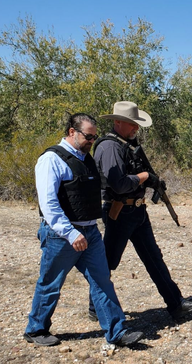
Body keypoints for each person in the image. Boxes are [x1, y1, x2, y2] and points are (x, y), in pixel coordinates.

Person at [24, 113, 143, 347]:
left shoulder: (86, 159)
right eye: (88, 136)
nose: (92, 141)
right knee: (51, 283)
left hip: (90, 233)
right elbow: (49, 204)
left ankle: (116, 331)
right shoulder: (51, 159)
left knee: (102, 281)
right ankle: (36, 330)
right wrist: (70, 233)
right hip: (62, 236)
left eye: (94, 136)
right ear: (72, 132)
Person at [88, 101, 192, 321]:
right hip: (119, 212)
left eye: (137, 124)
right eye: (132, 124)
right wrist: (144, 177)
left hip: (138, 211)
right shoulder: (109, 147)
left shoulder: (127, 144)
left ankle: (175, 304)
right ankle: (96, 308)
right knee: (108, 262)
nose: (136, 128)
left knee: (154, 258)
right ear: (117, 122)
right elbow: (119, 184)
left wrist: (152, 181)